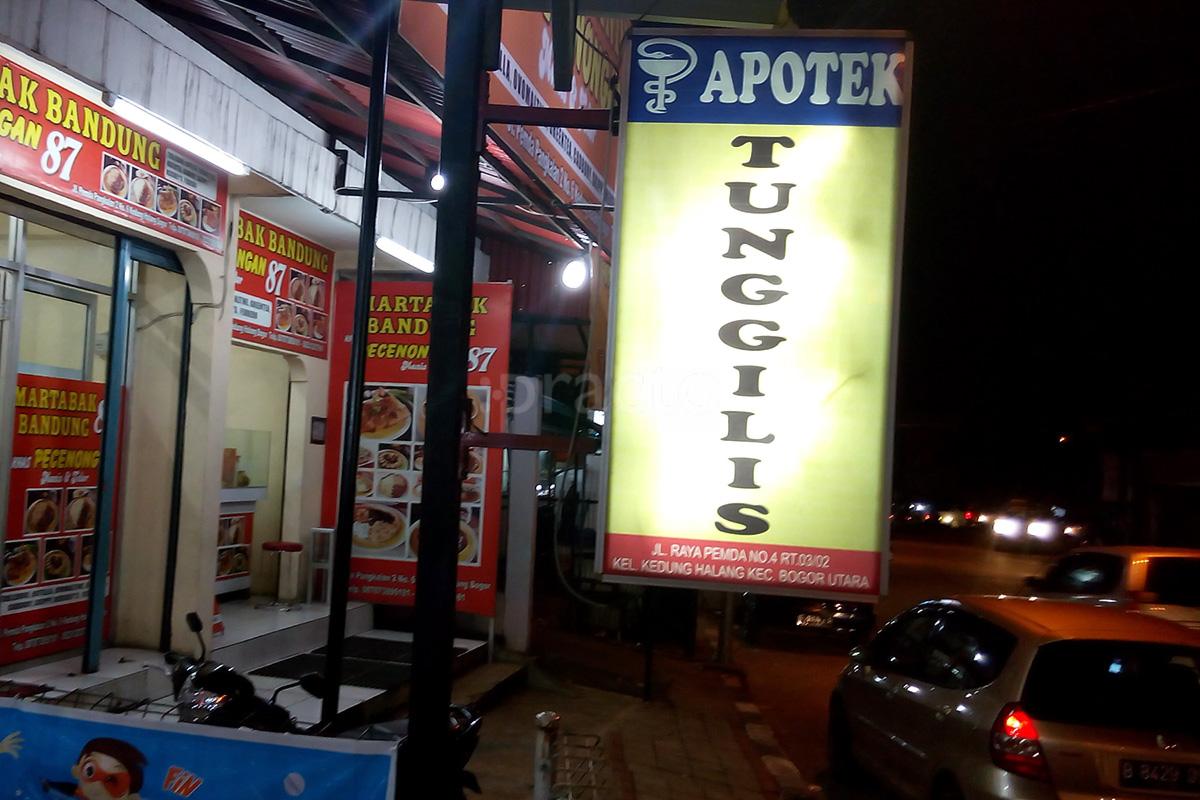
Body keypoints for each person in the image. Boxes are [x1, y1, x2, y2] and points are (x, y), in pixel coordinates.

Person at [43, 737, 148, 800]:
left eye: (113, 781)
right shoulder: (78, 792)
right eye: (90, 771)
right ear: (76, 770)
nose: (97, 786)